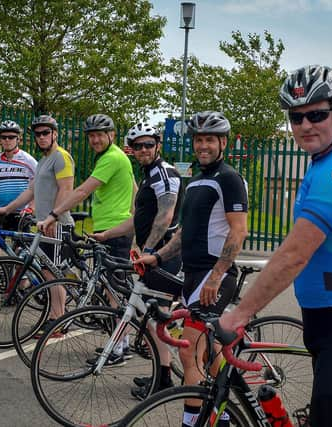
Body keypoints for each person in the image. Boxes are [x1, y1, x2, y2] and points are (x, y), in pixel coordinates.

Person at [219, 65, 332, 427]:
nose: (305, 125)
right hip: (326, 319)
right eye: (296, 117)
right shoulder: (321, 163)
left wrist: (239, 315)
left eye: (316, 114)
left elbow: (294, 255)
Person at [136, 111, 248, 425]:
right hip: (194, 275)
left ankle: (192, 422)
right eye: (198, 140)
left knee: (188, 352)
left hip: (215, 276)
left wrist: (216, 276)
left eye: (209, 140)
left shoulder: (229, 178)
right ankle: (224, 416)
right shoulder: (198, 180)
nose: (203, 146)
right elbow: (185, 232)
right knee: (209, 350)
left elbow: (238, 231)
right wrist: (157, 257)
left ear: (222, 142)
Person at [92, 122, 184, 397]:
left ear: (157, 145)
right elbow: (138, 219)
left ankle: (166, 377)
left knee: (156, 318)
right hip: (152, 255)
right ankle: (164, 375)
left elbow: (165, 216)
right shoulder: (148, 175)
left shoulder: (165, 174)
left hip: (164, 254)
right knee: (154, 317)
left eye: (148, 144)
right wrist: (107, 234)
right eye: (138, 146)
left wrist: (149, 251)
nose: (143, 149)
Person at [0, 115, 75, 336]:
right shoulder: (42, 162)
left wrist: (53, 217)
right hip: (45, 224)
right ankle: (54, 316)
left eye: (45, 133)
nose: (41, 137)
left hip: (58, 225)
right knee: (49, 273)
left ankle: (59, 321)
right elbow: (30, 191)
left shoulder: (61, 157)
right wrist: (8, 208)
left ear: (55, 134)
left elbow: (66, 190)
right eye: (38, 134)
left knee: (54, 273)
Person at [37, 113, 136, 259]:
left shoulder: (112, 158)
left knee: (113, 280)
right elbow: (134, 189)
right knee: (108, 280)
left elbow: (83, 191)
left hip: (114, 229)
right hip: (112, 229)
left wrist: (53, 215)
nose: (95, 140)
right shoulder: (114, 155)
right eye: (91, 136)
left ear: (112, 135)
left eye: (99, 135)